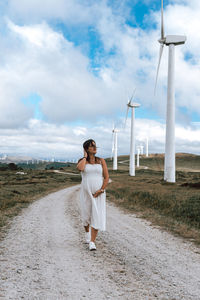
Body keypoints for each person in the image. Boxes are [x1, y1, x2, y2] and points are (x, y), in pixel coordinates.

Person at [76, 139, 109, 251]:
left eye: (95, 145)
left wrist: (101, 189)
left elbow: (106, 177)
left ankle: (92, 242)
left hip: (98, 194)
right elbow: (80, 168)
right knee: (86, 216)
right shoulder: (82, 161)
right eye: (91, 146)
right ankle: (87, 233)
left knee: (96, 215)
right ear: (86, 149)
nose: (94, 148)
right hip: (86, 193)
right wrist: (85, 157)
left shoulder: (101, 161)